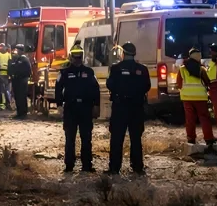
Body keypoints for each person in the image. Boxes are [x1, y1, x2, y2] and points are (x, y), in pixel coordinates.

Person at [106, 42, 151, 175]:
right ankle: (137, 167)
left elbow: (110, 84)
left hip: (120, 107)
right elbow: (146, 86)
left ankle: (114, 168)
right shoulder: (142, 69)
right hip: (136, 107)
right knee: (136, 138)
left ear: (123, 53)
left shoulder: (115, 68)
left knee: (117, 138)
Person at [55, 42, 99, 173]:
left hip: (85, 108)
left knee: (86, 138)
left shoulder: (89, 72)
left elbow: (96, 89)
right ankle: (69, 165)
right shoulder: (64, 72)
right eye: (75, 57)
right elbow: (58, 89)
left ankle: (87, 165)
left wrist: (96, 106)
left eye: (79, 57)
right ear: (71, 57)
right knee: (70, 139)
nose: (77, 59)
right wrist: (59, 105)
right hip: (70, 109)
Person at [176, 47, 214, 147]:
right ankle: (209, 139)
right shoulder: (201, 70)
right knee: (204, 119)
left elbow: (179, 84)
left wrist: (184, 91)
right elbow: (208, 83)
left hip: (187, 99)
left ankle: (191, 139)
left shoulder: (182, 69)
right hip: (201, 98)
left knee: (190, 119)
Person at [9, 44, 32, 119]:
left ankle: (23, 114)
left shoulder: (24, 59)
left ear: (21, 51)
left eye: (18, 50)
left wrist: (20, 76)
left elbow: (28, 71)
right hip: (17, 81)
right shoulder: (18, 59)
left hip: (22, 81)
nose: (17, 51)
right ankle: (19, 113)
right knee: (17, 97)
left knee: (21, 97)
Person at [0, 43, 13, 110]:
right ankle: (7, 104)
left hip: (2, 75)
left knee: (3, 90)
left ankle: (5, 104)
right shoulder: (8, 55)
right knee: (6, 90)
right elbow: (10, 65)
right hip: (5, 75)